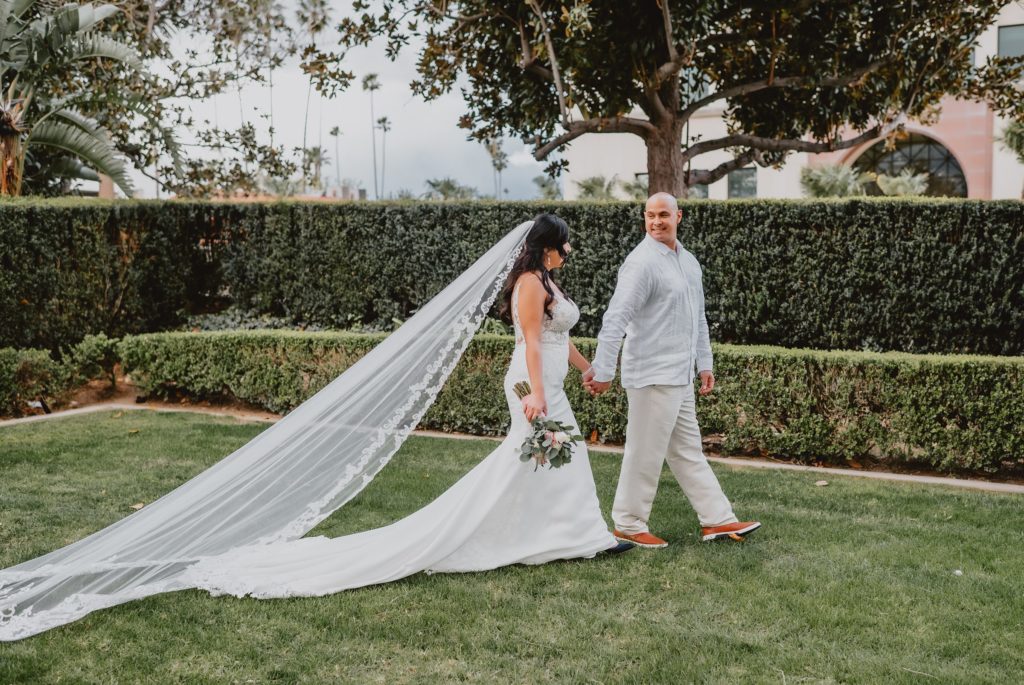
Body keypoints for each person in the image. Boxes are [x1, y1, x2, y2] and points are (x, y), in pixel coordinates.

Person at [178, 214, 631, 599]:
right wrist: (537, 393)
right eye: (563, 244)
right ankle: (576, 535)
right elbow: (531, 340)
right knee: (549, 454)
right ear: (547, 247)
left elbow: (557, 337)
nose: (568, 250)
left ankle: (565, 533)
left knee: (544, 459)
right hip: (530, 384)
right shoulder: (531, 284)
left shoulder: (548, 279)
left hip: (549, 380)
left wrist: (586, 368)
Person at [584, 193, 761, 547]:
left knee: (687, 451)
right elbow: (616, 317)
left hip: (679, 375)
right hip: (650, 373)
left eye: (663, 214)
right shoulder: (641, 262)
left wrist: (704, 363)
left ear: (678, 216)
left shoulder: (689, 261)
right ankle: (628, 524)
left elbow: (698, 318)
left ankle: (717, 521)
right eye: (650, 215)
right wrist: (604, 369)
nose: (656, 222)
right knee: (644, 452)